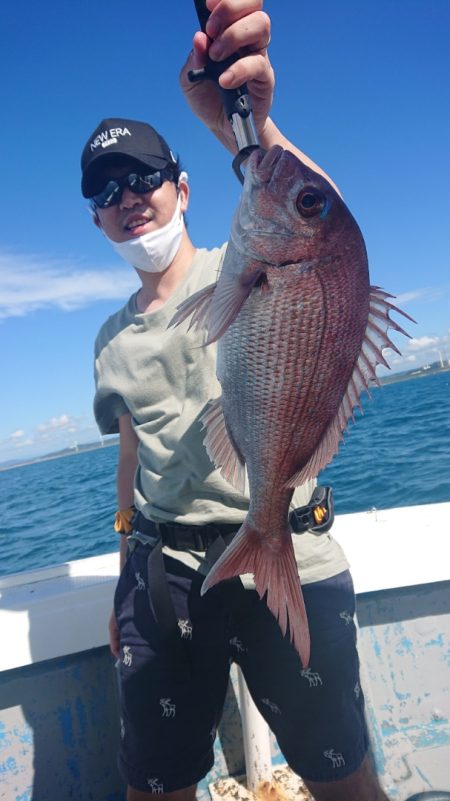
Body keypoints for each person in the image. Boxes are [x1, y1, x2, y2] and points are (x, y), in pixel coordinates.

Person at [81, 2, 389, 800]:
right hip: (167, 569)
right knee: (156, 785)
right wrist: (124, 573)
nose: (128, 197)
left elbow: (325, 226)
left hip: (288, 537)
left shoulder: (240, 265)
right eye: (106, 190)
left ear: (183, 188)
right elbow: (130, 460)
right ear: (98, 220)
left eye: (144, 176)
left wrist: (243, 126)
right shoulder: (109, 341)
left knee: (343, 775)